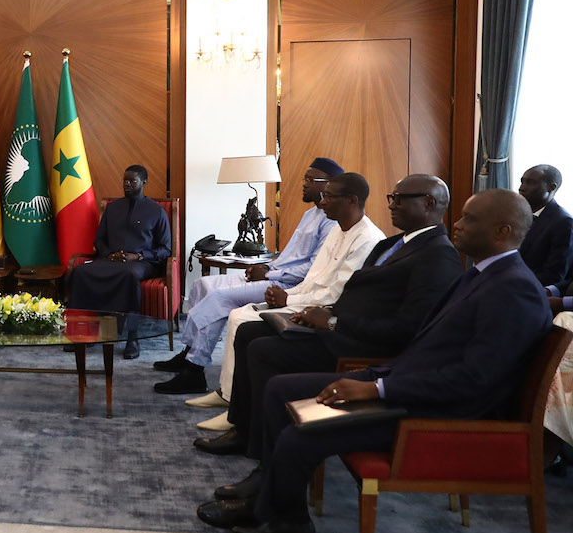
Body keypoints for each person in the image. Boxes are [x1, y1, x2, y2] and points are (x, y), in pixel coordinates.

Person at [196, 189, 553, 533]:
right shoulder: (481, 275)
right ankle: (268, 494)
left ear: (502, 231)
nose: (456, 224)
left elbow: (473, 380)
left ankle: (286, 519)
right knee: (278, 390)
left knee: (298, 433)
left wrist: (375, 389)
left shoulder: (513, 291)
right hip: (404, 381)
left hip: (434, 412)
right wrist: (374, 378)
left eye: (469, 219)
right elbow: (430, 348)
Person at [194, 174, 462, 458]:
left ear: (429, 203)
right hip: (340, 324)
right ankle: (243, 428)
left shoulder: (438, 255)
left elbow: (408, 328)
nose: (391, 205)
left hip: (361, 343)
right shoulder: (396, 244)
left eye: (399, 199)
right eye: (391, 198)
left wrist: (333, 321)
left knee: (263, 349)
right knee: (250, 332)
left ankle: (261, 447)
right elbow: (354, 293)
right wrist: (322, 313)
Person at [177, 173, 384, 431]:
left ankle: (233, 404)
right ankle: (227, 396)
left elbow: (334, 295)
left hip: (321, 312)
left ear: (352, 200)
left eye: (330, 196)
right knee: (237, 315)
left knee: (241, 319)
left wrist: (288, 298)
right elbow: (313, 277)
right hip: (303, 298)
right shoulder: (339, 228)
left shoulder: (367, 239)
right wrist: (285, 295)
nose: (324, 201)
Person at [153, 158, 342, 391]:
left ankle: (194, 371)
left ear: (330, 184)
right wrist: (264, 265)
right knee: (202, 285)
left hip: (285, 286)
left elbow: (312, 269)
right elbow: (291, 256)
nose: (303, 184)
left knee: (218, 298)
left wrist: (269, 275)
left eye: (310, 180)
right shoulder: (310, 214)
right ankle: (190, 351)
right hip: (273, 274)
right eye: (305, 178)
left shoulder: (331, 223)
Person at [66, 165, 172, 359]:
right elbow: (99, 240)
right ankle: (83, 333)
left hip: (141, 263)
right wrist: (109, 254)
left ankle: (132, 337)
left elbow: (166, 249)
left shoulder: (157, 211)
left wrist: (138, 256)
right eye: (125, 181)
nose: (127, 184)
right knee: (80, 272)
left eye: (132, 181)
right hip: (111, 259)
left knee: (130, 274)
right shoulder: (113, 207)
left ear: (144, 182)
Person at [518, 164, 573, 290]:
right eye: (522, 182)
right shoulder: (517, 214)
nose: (521, 188)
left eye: (530, 183)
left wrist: (514, 284)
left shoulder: (563, 222)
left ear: (551, 187)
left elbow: (554, 275)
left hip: (534, 292)